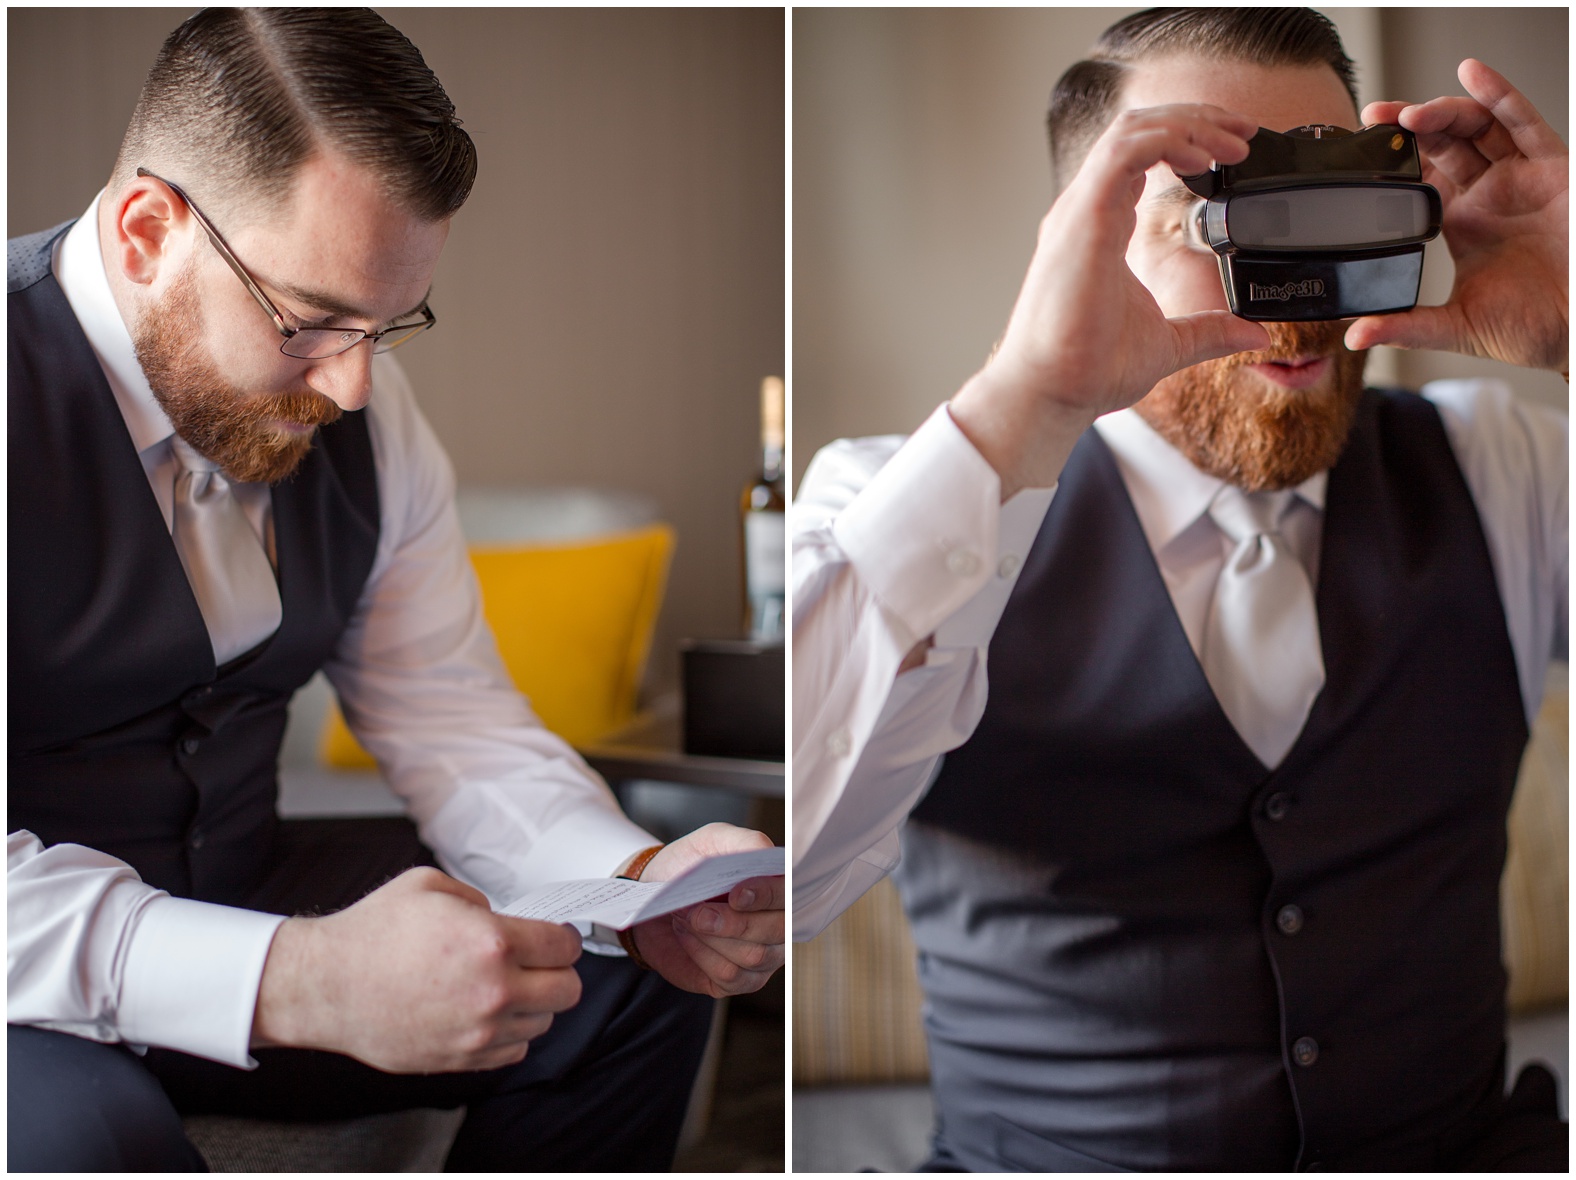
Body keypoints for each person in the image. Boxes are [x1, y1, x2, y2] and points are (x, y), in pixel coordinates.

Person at [8, 8, 783, 1171]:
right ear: (146, 231)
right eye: (310, 322)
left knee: (618, 978)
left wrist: (630, 879)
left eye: (388, 326)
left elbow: (450, 715)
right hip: (27, 982)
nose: (357, 389)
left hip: (241, 878)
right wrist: (296, 977)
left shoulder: (353, 405)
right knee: (88, 1140)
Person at [793, 8, 1565, 1172]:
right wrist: (1022, 406)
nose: (1290, 286)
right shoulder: (895, 503)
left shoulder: (1499, 466)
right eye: (1217, 212)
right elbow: (779, 874)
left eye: (1317, 199)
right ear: (1084, 241)